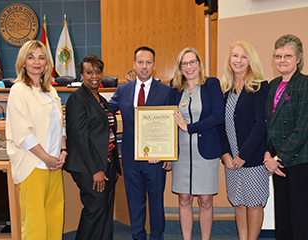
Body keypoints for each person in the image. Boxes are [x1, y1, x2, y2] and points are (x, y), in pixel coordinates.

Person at [109, 46, 171, 240]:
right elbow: (107, 112)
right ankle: (138, 237)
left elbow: (172, 124)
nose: (144, 67)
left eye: (148, 62)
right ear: (134, 64)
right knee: (135, 203)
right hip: (130, 157)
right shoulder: (123, 90)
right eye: (140, 62)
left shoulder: (166, 91)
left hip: (156, 158)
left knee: (156, 203)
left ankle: (156, 237)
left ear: (154, 65)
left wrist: (169, 155)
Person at [5, 40, 66, 240]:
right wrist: (46, 158)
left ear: (47, 63)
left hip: (54, 165)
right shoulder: (19, 90)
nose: (36, 62)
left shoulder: (51, 91)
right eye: (31, 57)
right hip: (34, 165)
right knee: (35, 224)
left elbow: (60, 125)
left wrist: (62, 152)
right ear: (23, 62)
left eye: (41, 57)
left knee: (55, 218)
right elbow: (23, 134)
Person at [263, 34, 308, 240]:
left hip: (301, 161)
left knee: (298, 220)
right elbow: (269, 124)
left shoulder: (307, 83)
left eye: (287, 55)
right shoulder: (272, 85)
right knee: (283, 220)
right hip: (278, 162)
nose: (282, 60)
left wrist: (278, 159)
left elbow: (303, 128)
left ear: (298, 58)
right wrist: (268, 154)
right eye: (278, 56)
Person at [168, 47, 224, 240]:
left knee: (206, 201)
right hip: (182, 153)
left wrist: (189, 127)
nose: (189, 66)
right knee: (184, 199)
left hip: (206, 151)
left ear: (199, 64)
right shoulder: (175, 89)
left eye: (193, 62)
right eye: (185, 63)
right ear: (180, 68)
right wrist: (168, 153)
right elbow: (168, 121)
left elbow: (218, 116)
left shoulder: (211, 84)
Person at [64, 55, 122, 240]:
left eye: (98, 72)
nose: (94, 76)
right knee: (95, 209)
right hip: (90, 167)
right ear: (81, 74)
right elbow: (80, 138)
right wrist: (96, 170)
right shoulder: (77, 98)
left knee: (104, 209)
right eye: (89, 72)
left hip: (107, 163)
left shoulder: (100, 98)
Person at [218, 41, 269, 240]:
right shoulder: (225, 89)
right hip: (231, 160)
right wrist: (225, 154)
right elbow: (220, 125)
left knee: (253, 203)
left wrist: (242, 156)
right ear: (229, 59)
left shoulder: (259, 86)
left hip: (252, 159)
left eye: (243, 56)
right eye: (235, 56)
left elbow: (260, 126)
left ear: (250, 61)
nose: (238, 60)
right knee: (238, 203)